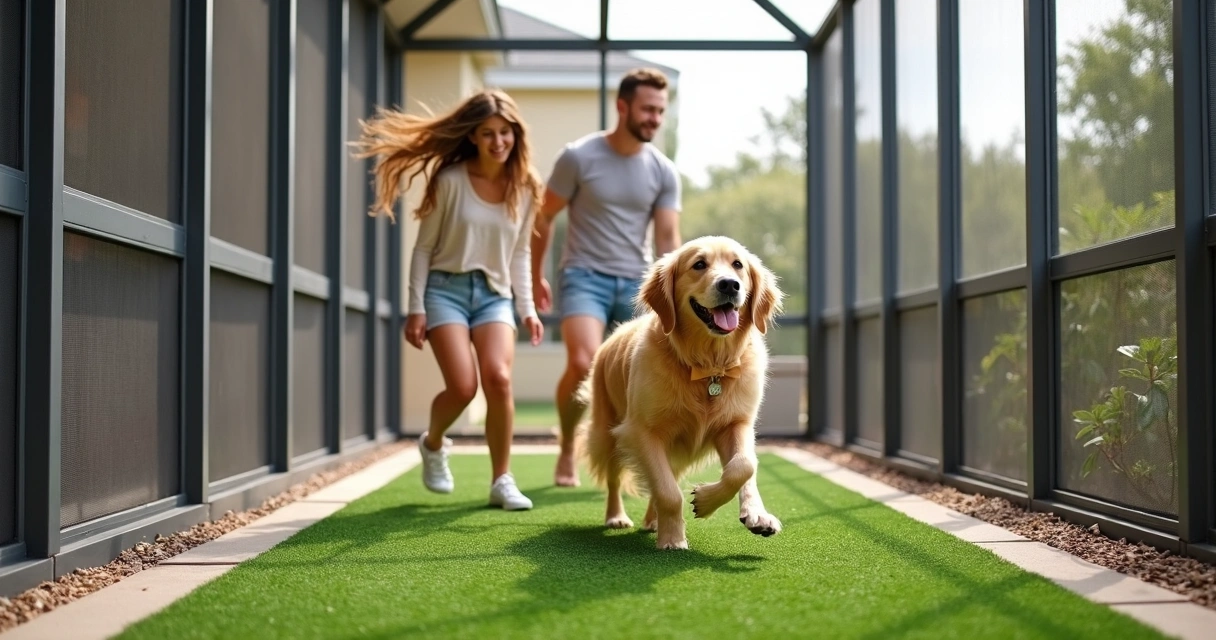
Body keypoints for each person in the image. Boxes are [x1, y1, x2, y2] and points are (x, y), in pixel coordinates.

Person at [354, 89, 545, 510]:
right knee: (463, 386)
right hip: (445, 291)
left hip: (494, 295)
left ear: (516, 134)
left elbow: (520, 252)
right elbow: (423, 248)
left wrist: (526, 307)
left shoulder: (526, 186)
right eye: (487, 133)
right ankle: (434, 443)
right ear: (473, 137)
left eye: (505, 132)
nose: (498, 141)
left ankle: (502, 481)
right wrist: (416, 306)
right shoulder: (451, 181)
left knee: (498, 378)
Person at [530, 68, 682, 487]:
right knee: (583, 364)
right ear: (622, 106)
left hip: (638, 282)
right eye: (648, 109)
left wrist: (676, 295)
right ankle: (566, 445)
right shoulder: (578, 157)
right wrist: (535, 275)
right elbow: (543, 215)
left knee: (640, 375)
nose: (654, 118)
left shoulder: (664, 171)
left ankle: (641, 464)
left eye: (660, 111)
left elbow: (668, 236)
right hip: (584, 277)